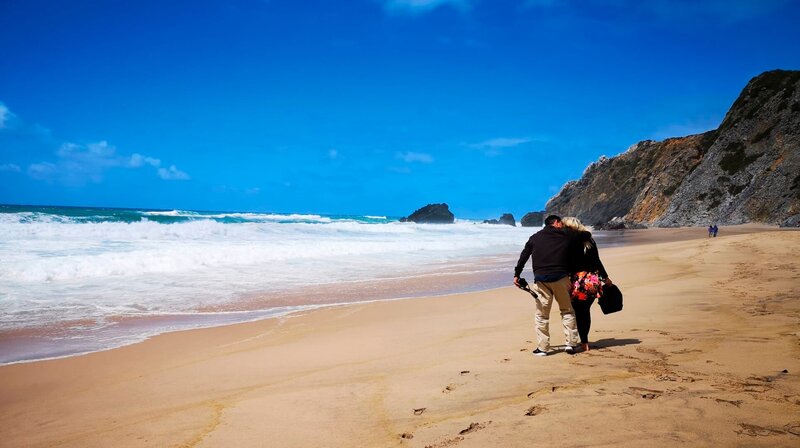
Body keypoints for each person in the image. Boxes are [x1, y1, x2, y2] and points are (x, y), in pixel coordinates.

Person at [513, 214, 580, 356]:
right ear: (556, 222)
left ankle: (543, 348)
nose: (562, 226)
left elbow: (524, 255)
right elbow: (583, 236)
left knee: (542, 316)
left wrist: (517, 274)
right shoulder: (567, 235)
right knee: (567, 311)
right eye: (561, 223)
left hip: (541, 279)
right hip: (561, 277)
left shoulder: (535, 237)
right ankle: (571, 344)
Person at [562, 217, 612, 352]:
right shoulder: (590, 240)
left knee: (574, 311)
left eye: (565, 227)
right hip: (592, 280)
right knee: (584, 311)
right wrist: (605, 277)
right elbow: (597, 260)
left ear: (570, 228)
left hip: (576, 281)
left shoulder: (569, 241)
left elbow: (564, 262)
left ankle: (575, 340)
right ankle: (585, 342)